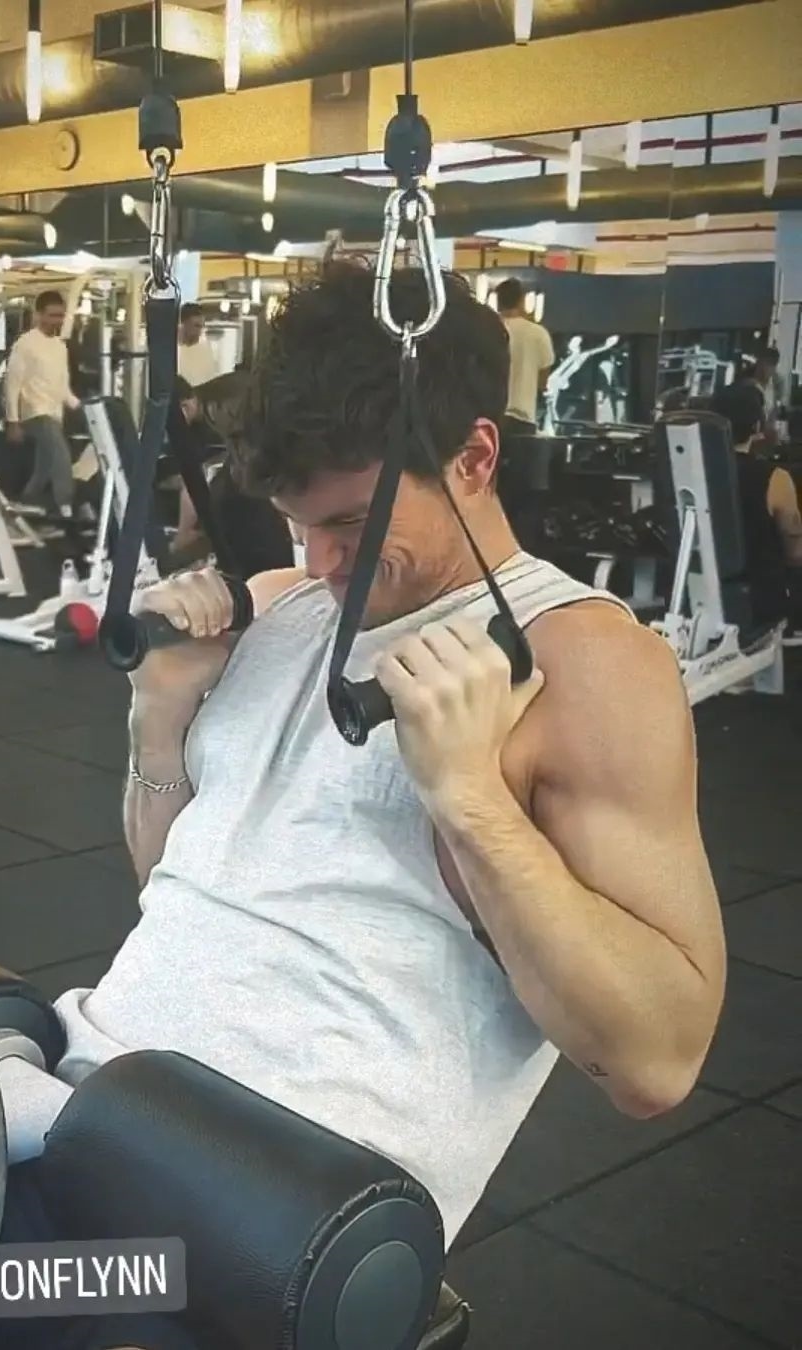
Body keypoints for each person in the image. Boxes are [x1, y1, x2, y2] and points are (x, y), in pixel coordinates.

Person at [54, 262, 726, 1305]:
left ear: (475, 458)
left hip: (251, 1214)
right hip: (77, 1095)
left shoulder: (584, 663)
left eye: (353, 524)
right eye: (299, 524)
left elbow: (658, 1060)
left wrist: (470, 803)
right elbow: (166, 885)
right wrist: (162, 714)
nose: (321, 561)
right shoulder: (279, 608)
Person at [168, 375, 295, 579]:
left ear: (184, 406)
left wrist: (183, 535)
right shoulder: (213, 402)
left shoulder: (216, 409)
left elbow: (195, 478)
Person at [713, 380, 802, 625]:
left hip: (702, 595)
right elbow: (796, 554)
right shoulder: (775, 478)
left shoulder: (692, 472)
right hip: (762, 603)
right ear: (756, 426)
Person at [3, 290, 81, 518]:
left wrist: (81, 407)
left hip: (54, 412)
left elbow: (63, 387)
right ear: (39, 315)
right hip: (34, 412)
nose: (57, 320)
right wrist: (12, 421)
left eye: (60, 315)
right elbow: (12, 384)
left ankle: (26, 501)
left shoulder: (60, 347)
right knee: (61, 454)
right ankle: (66, 506)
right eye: (52, 315)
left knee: (45, 465)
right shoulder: (25, 344)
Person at [495, 277, 555, 435]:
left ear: (498, 302)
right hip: (523, 419)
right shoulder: (538, 334)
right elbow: (543, 382)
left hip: (492, 417)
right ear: (522, 300)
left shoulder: (488, 329)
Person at [176, 302, 219, 389]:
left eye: (202, 327)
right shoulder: (171, 351)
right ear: (183, 324)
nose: (200, 331)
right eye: (196, 326)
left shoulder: (206, 351)